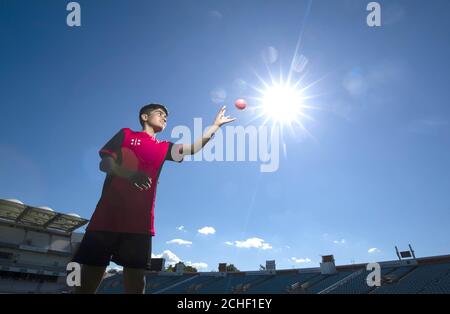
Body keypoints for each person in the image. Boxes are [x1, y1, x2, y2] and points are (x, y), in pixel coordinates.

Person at [72, 103, 235, 293]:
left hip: (140, 222)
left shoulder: (164, 147)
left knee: (136, 280)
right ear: (144, 117)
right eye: (160, 113)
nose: (165, 117)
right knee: (90, 275)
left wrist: (215, 126)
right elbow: (105, 163)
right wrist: (130, 174)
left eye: (166, 116)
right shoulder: (126, 135)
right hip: (106, 218)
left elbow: (192, 149)